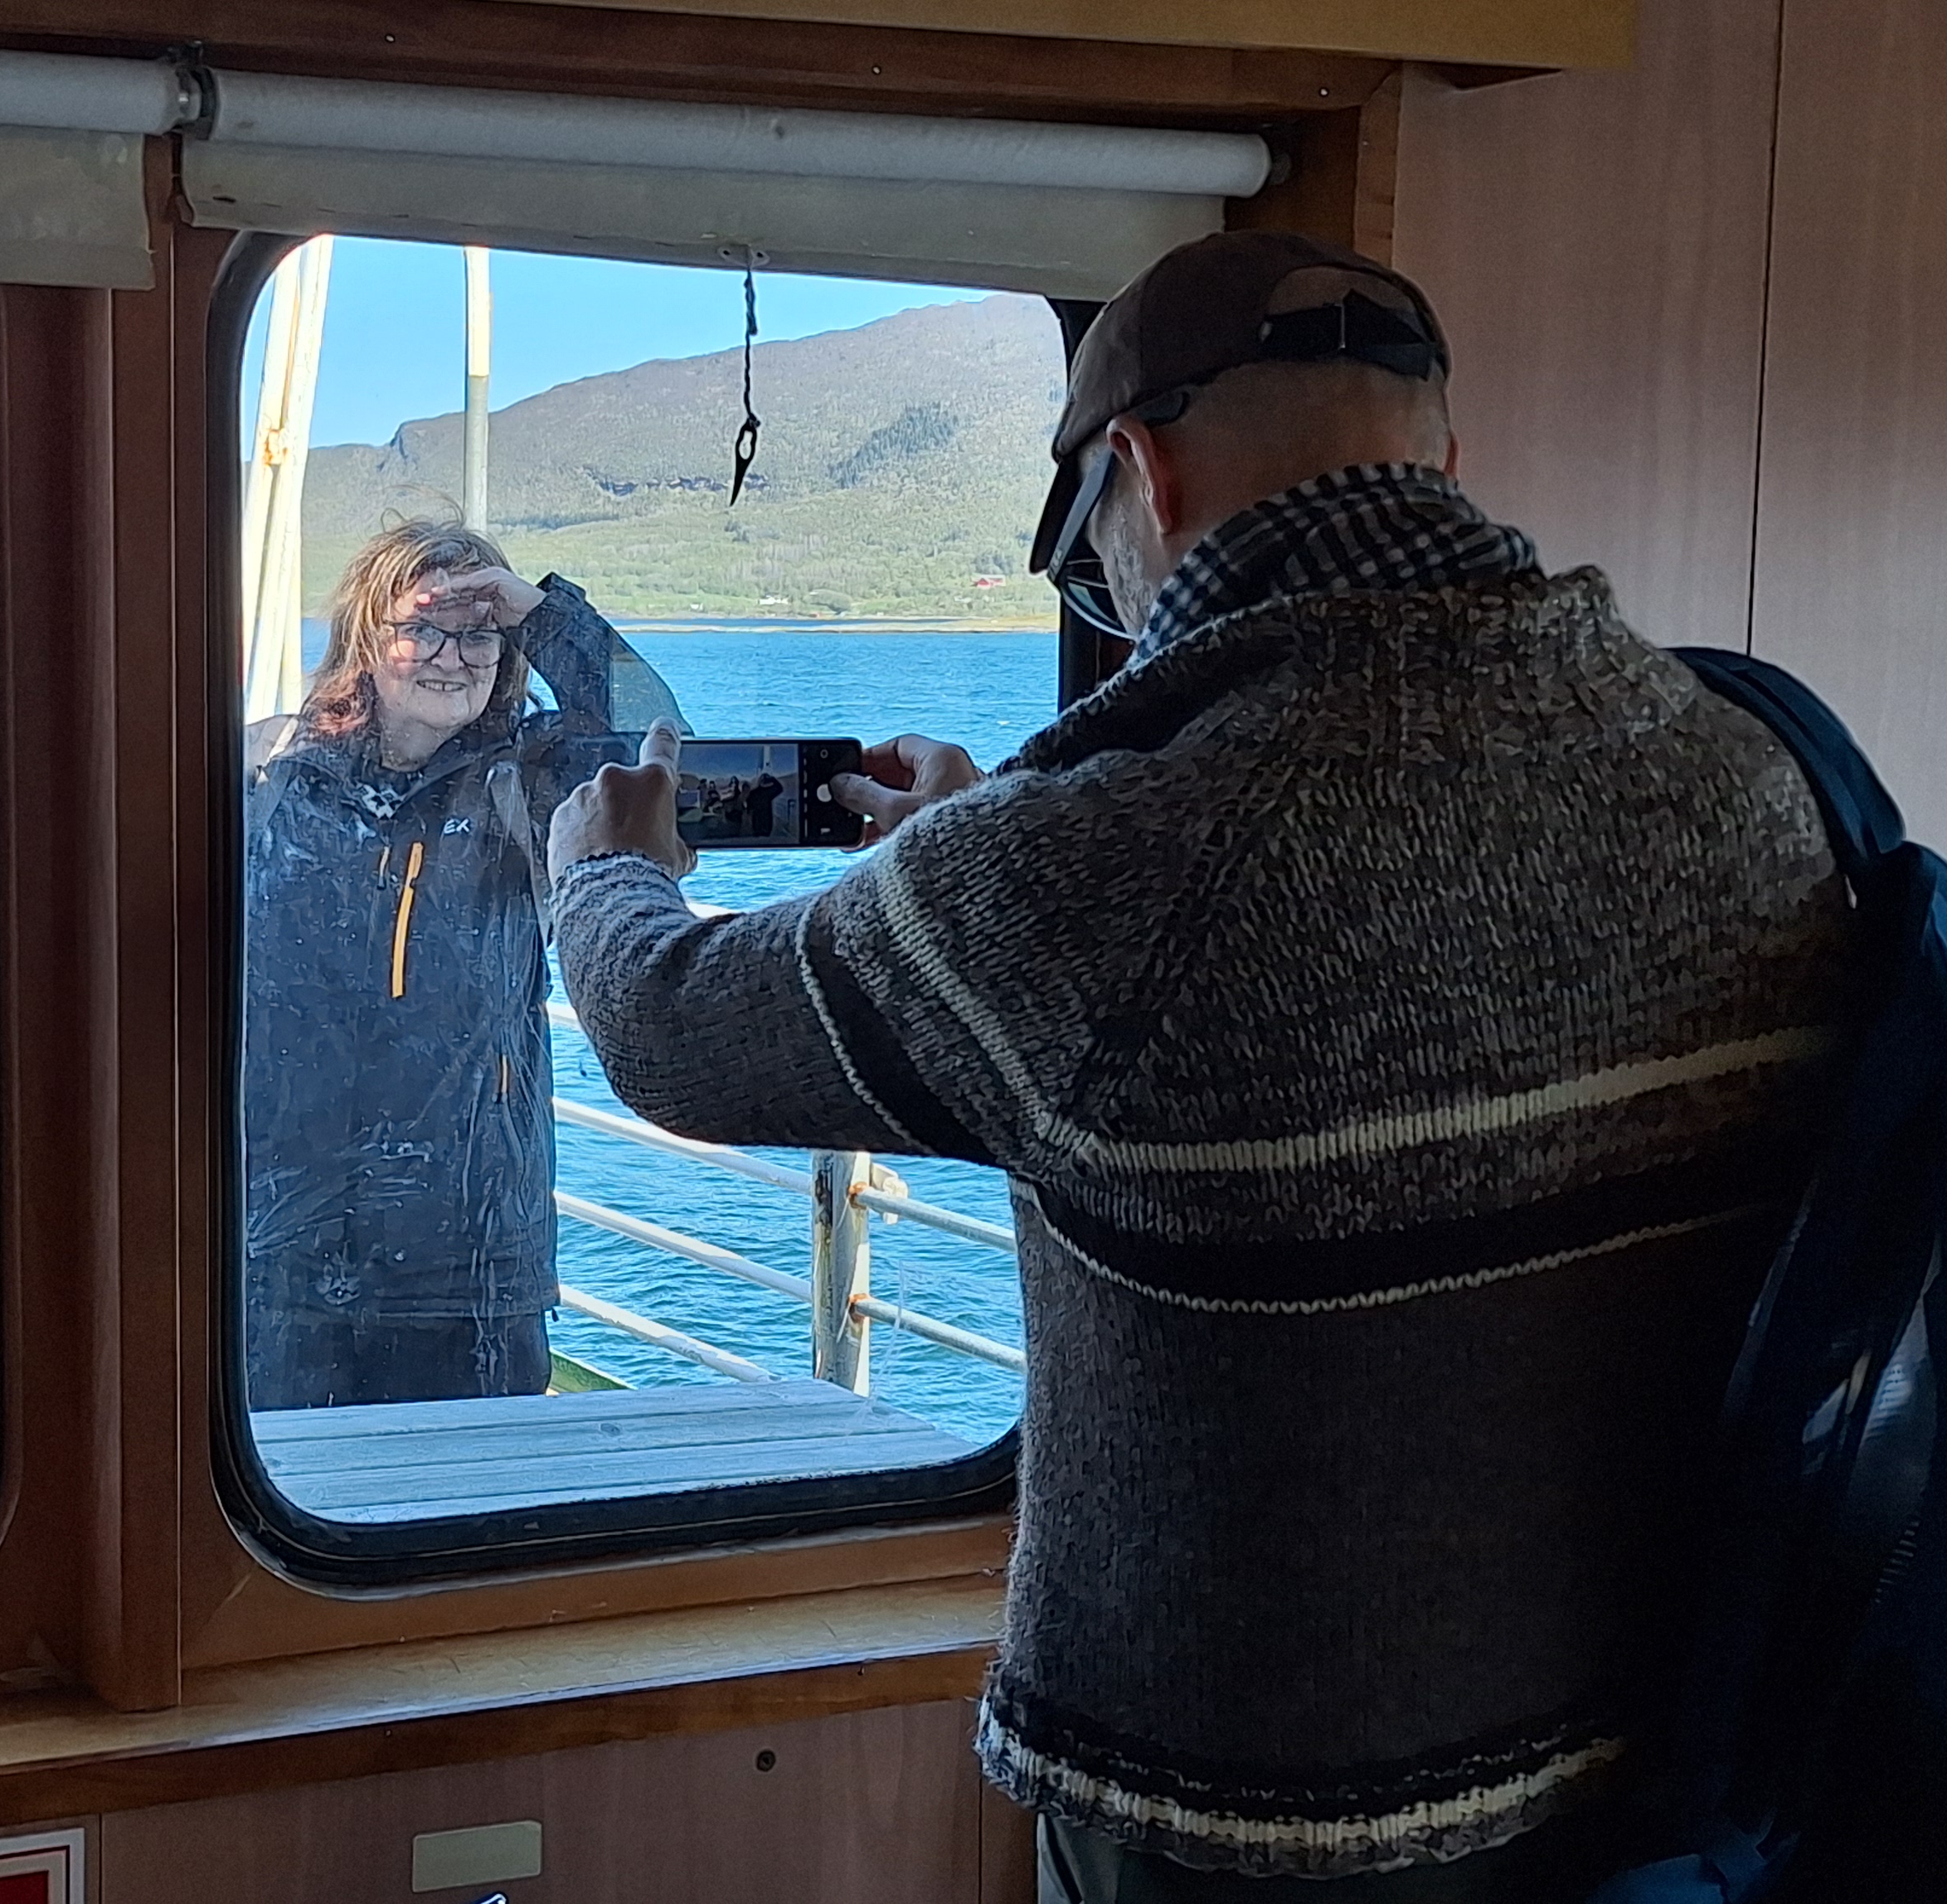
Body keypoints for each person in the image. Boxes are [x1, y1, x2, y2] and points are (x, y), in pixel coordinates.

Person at [546, 232, 1858, 1898]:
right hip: (1659, 1766)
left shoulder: (1103, 872)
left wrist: (603, 860)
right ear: (1441, 458)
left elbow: (678, 1029)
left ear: (1141, 477)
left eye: (1083, 554)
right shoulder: (1737, 762)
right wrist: (988, 845)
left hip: (1250, 1818)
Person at [241, 520, 682, 1410]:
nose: (452, 654)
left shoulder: (532, 778)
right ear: (367, 636)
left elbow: (663, 754)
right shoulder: (269, 771)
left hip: (473, 1268)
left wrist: (546, 613)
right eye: (424, 625)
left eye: (479, 629)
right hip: (277, 1258)